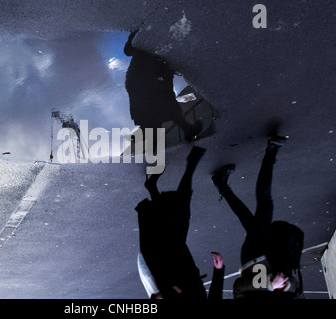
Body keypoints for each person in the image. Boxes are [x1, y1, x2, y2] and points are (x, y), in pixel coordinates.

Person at [211, 135, 303, 299]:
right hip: (276, 254)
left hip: (255, 259)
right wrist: (285, 286)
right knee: (248, 218)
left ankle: (271, 151)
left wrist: (269, 286)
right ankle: (221, 185)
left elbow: (239, 287)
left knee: (265, 205)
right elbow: (296, 289)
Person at [136, 146, 225, 301]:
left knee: (170, 224)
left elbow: (156, 298)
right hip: (189, 273)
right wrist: (219, 270)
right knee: (176, 221)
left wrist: (171, 291)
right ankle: (155, 185)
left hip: (167, 273)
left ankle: (191, 164)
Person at [124, 31, 202, 144]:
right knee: (162, 108)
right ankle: (149, 138)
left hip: (145, 77)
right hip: (148, 76)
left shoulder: (150, 32)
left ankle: (147, 136)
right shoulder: (149, 31)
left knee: (158, 110)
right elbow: (128, 50)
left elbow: (128, 51)